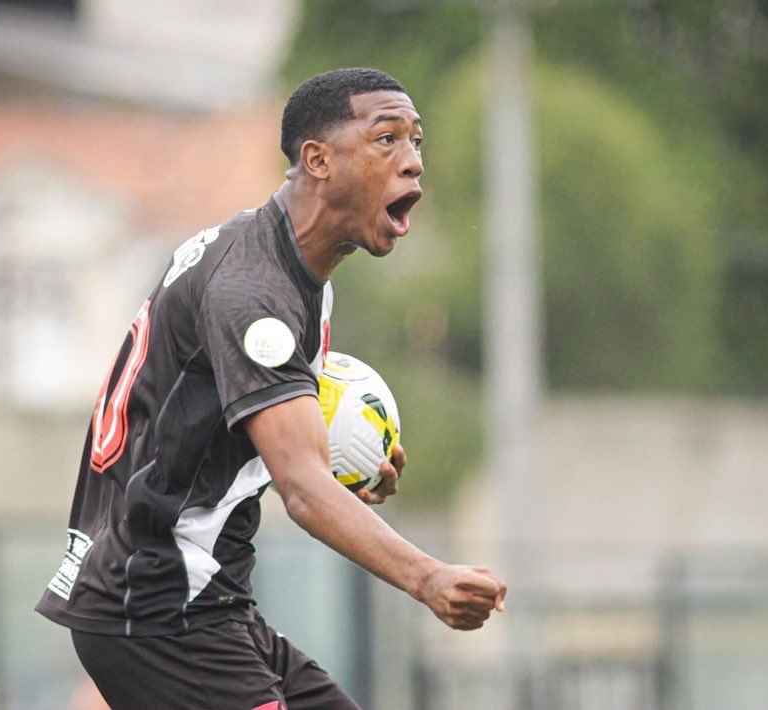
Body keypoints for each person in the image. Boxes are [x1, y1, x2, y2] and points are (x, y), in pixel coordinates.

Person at [36, 67, 507, 710]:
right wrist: (427, 578)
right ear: (317, 159)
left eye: (417, 142)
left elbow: (259, 456)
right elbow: (304, 494)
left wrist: (343, 473)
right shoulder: (254, 293)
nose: (413, 163)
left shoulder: (288, 273)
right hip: (157, 610)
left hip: (207, 600)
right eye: (387, 139)